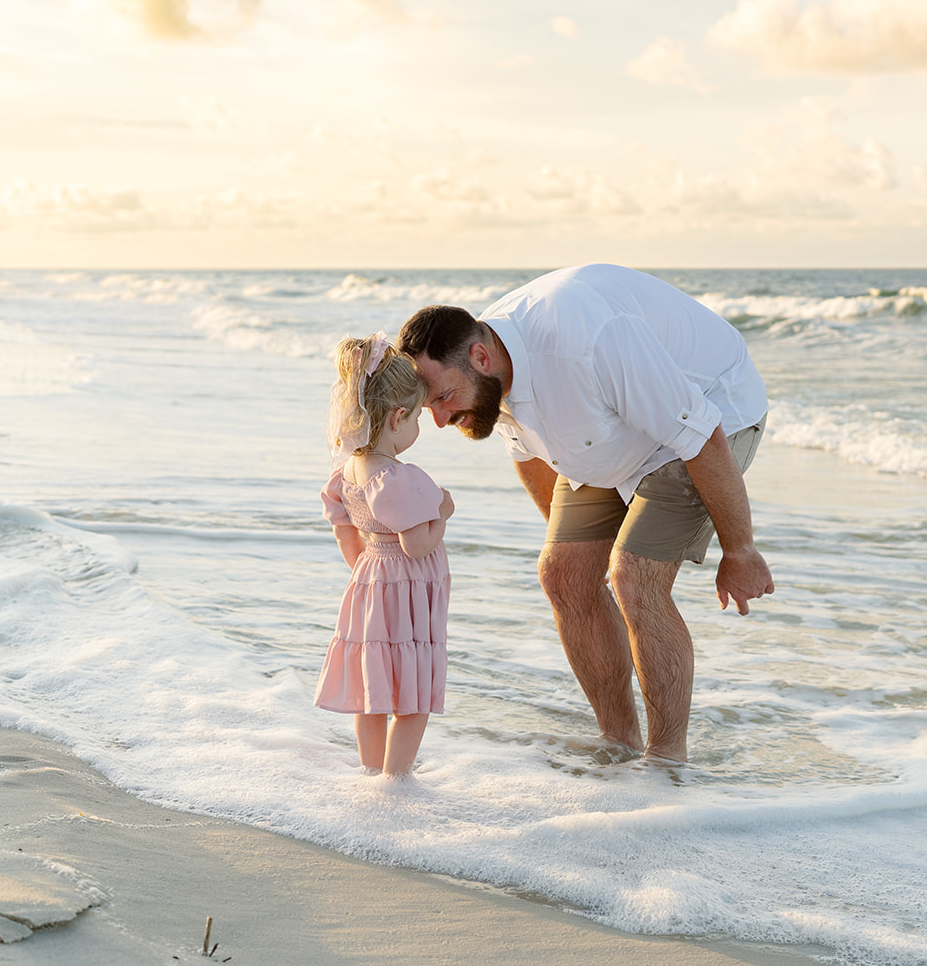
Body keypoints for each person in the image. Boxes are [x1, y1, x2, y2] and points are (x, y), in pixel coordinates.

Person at [397, 264, 771, 763]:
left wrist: (740, 549)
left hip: (710, 416)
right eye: (431, 408)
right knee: (563, 574)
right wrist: (576, 554)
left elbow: (700, 433)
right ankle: (618, 746)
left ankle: (666, 763)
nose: (440, 421)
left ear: (481, 357)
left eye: (443, 399)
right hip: (612, 436)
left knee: (635, 577)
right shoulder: (487, 369)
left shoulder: (586, 340)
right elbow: (529, 454)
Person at [315, 332, 455, 776]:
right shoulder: (399, 477)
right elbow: (417, 544)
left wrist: (369, 572)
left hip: (371, 584)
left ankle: (371, 771)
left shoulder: (347, 471)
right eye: (415, 418)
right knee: (412, 694)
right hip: (408, 593)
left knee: (373, 686)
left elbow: (345, 534)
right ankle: (398, 779)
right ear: (397, 417)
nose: (417, 428)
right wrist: (443, 515)